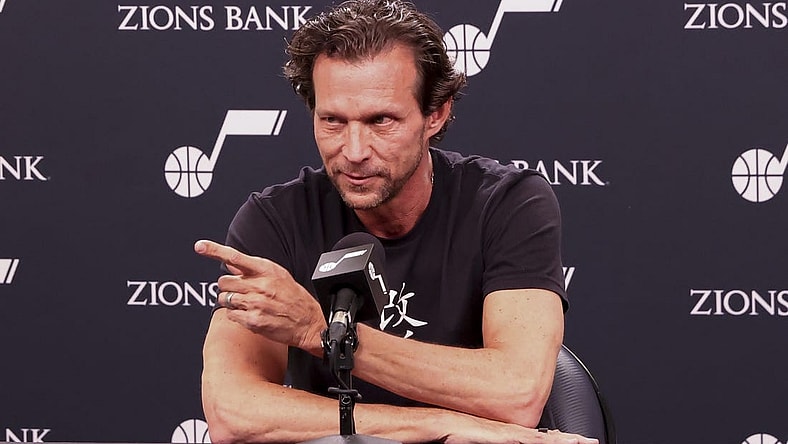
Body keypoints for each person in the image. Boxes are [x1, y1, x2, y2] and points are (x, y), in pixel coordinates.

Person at [195, 1, 597, 443]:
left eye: (380, 121)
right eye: (332, 121)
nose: (353, 151)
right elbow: (232, 413)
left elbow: (517, 393)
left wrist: (319, 332)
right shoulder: (274, 220)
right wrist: (438, 423)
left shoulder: (508, 203)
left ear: (435, 113)